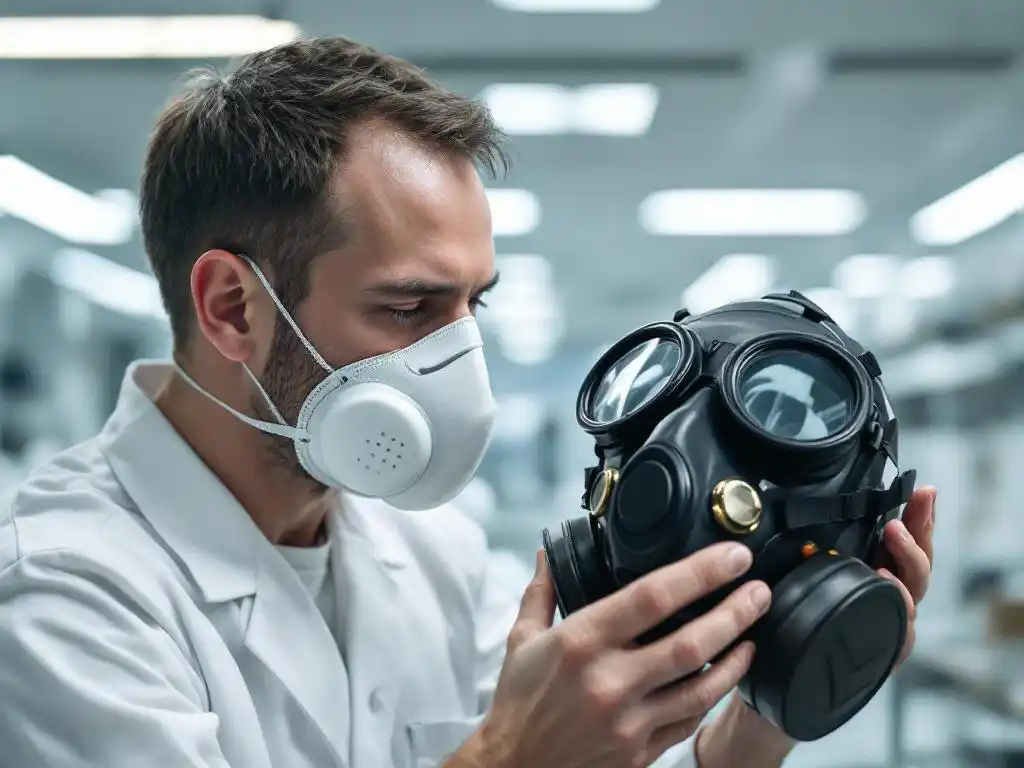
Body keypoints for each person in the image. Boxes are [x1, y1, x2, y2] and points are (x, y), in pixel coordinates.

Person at [0, 37, 936, 768]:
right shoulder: (62, 594)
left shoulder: (426, 549)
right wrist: (510, 758)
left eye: (469, 306)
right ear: (233, 307)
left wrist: (769, 702)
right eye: (409, 308)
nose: (458, 362)